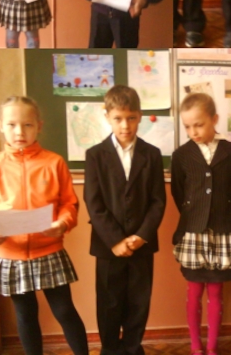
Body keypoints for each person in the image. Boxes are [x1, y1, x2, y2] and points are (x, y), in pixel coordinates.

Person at [0, 96, 89, 355]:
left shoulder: (54, 162)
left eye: (27, 125)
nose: (19, 132)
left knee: (64, 311)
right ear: (1, 126)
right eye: (12, 124)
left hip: (49, 250)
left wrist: (63, 223)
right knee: (25, 315)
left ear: (39, 126)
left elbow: (69, 204)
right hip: (11, 254)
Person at [84, 85, 167, 355]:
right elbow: (94, 204)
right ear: (107, 116)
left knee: (139, 303)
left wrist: (141, 236)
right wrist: (115, 241)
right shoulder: (95, 155)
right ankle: (110, 349)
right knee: (109, 303)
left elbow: (158, 201)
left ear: (140, 116)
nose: (125, 125)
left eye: (131, 118)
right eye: (118, 118)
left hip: (142, 245)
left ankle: (132, 348)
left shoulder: (152, 154)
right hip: (108, 247)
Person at [172, 93, 231, 355]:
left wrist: (224, 217)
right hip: (193, 232)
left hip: (223, 230)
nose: (193, 131)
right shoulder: (181, 155)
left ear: (214, 119)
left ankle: (212, 347)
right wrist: (195, 216)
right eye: (187, 126)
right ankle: (195, 346)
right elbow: (178, 193)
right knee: (193, 292)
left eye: (199, 125)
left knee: (216, 292)